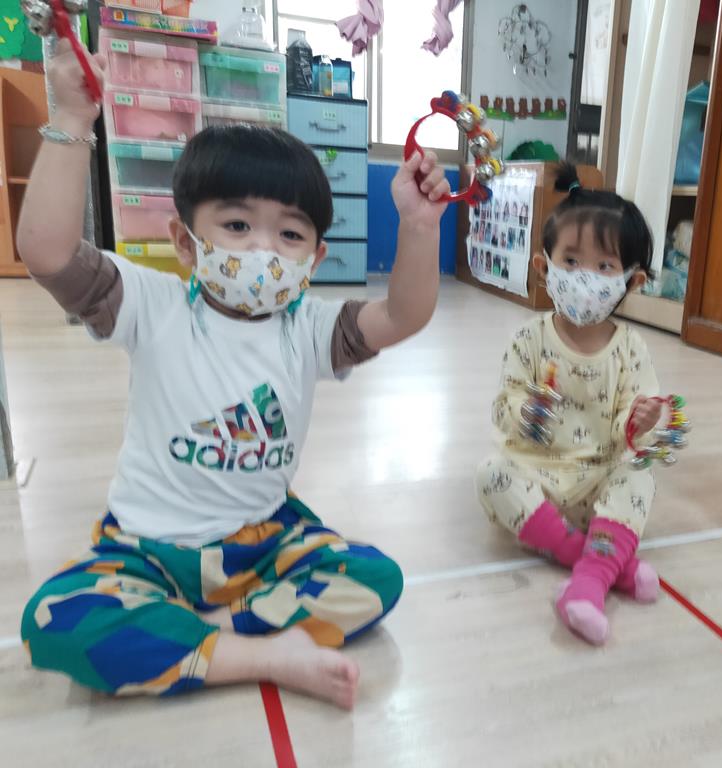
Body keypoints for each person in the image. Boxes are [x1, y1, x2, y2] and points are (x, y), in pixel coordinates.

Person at [17, 41, 451, 710]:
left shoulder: (308, 327)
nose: (263, 249)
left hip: (264, 543)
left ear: (314, 258)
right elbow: (47, 253)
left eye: (290, 235)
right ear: (185, 244)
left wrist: (419, 227)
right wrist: (73, 119)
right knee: (52, 621)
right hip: (146, 548)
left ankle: (196, 639)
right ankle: (261, 650)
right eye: (238, 224)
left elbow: (403, 315)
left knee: (375, 577)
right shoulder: (153, 305)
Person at [476, 164, 664, 646]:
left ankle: (587, 580)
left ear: (632, 282)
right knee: (491, 474)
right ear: (544, 267)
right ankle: (597, 561)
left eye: (604, 267)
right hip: (537, 481)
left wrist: (642, 420)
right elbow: (503, 408)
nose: (585, 278)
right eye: (572, 261)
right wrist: (529, 412)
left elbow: (637, 426)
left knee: (641, 472)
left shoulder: (631, 348)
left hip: (599, 480)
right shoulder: (529, 338)